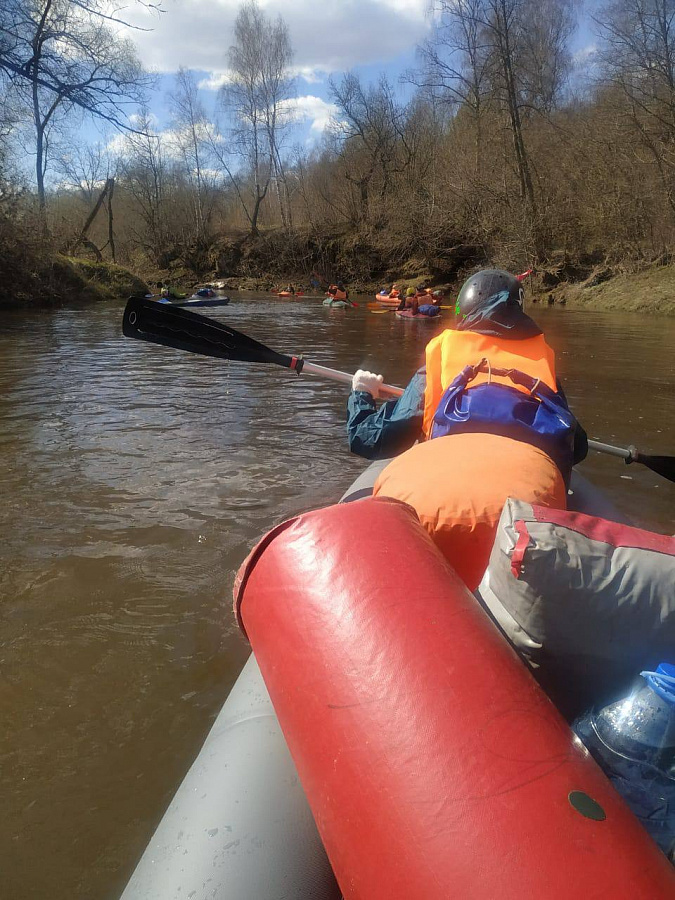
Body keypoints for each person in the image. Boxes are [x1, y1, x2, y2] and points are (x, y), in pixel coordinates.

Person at [347, 268, 588, 589]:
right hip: (530, 527)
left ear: (465, 308)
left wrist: (361, 394)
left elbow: (368, 438)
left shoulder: (439, 360)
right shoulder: (544, 369)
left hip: (428, 516)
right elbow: (578, 447)